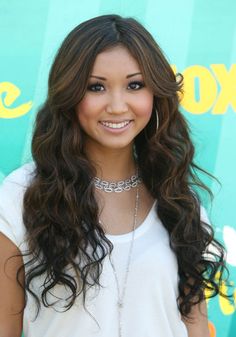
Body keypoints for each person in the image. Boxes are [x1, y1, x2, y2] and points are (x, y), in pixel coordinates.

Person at [0, 14, 228, 337]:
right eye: (97, 87)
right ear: (70, 94)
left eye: (135, 85)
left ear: (155, 94)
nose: (118, 105)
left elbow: (195, 327)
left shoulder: (178, 201)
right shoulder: (21, 197)